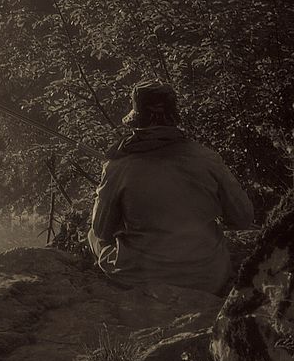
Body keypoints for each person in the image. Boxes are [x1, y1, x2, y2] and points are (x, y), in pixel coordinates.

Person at [87, 80, 254, 295]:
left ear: (137, 120)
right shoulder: (207, 158)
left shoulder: (119, 165)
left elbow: (102, 230)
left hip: (140, 276)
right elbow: (243, 218)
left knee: (92, 234)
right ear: (173, 118)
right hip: (208, 276)